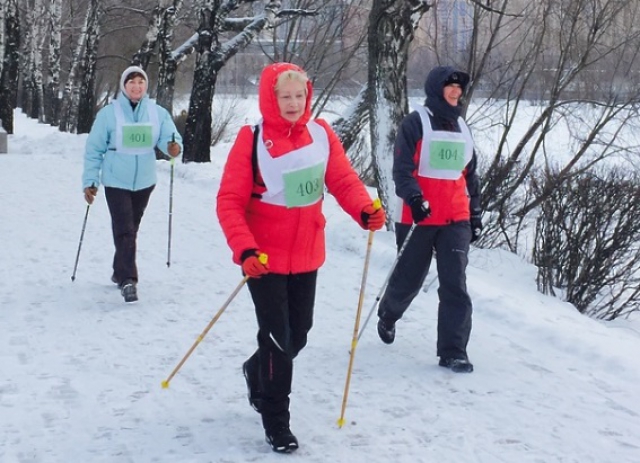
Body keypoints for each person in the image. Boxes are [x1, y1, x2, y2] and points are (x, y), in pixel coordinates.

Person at [216, 62, 386, 453]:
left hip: (308, 253)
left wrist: (364, 209)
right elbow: (229, 202)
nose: (293, 103)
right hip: (264, 257)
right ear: (269, 99)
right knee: (278, 339)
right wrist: (244, 249)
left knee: (298, 335)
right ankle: (276, 420)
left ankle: (255, 370)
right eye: (285, 96)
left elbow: (342, 179)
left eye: (299, 95)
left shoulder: (321, 134)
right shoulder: (252, 140)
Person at [376, 65, 482, 374]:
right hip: (418, 216)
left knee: (455, 284)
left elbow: (470, 174)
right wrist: (414, 198)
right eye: (450, 86)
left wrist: (475, 212)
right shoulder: (415, 122)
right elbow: (402, 169)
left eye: (459, 87)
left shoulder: (463, 127)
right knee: (410, 279)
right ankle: (388, 313)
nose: (455, 92)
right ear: (437, 88)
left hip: (455, 218)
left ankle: (453, 351)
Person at [82, 65, 183, 303]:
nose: (136, 86)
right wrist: (90, 181)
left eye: (140, 82)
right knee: (125, 228)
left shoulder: (157, 112)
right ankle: (129, 280)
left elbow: (169, 138)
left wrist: (173, 147)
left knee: (130, 228)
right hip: (116, 179)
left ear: (146, 86)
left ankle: (119, 270)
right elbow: (94, 149)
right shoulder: (109, 114)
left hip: (145, 181)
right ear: (124, 86)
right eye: (131, 82)